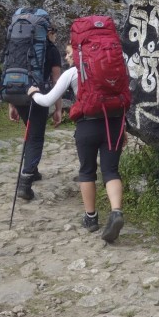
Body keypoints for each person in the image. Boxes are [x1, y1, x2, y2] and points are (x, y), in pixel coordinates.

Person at [27, 44, 126, 243]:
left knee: (87, 171)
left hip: (87, 126)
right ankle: (116, 212)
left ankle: (91, 218)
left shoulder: (73, 72)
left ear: (79, 53)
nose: (66, 57)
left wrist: (33, 93)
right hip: (113, 124)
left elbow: (47, 100)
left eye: (69, 53)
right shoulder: (117, 67)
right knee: (111, 171)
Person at [9, 26, 62, 201]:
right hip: (38, 97)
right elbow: (56, 81)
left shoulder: (19, 45)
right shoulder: (51, 50)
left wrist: (12, 104)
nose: (55, 36)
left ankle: (34, 169)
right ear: (49, 33)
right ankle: (25, 182)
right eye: (54, 33)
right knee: (36, 137)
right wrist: (58, 108)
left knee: (31, 131)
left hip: (17, 93)